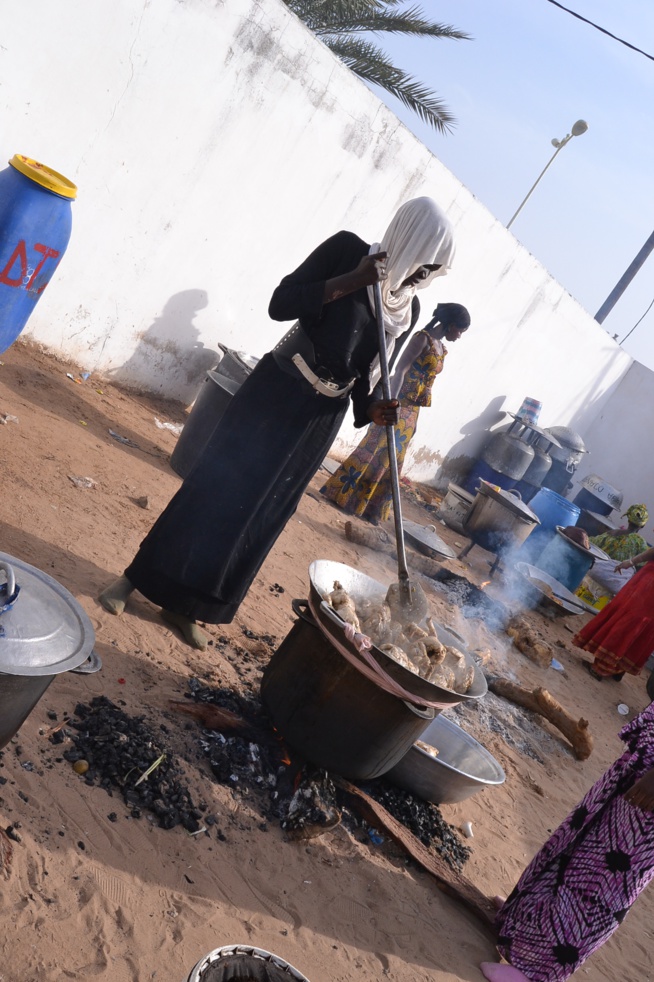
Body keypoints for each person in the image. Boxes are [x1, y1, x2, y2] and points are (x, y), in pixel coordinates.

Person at [99, 197, 455, 649]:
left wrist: (372, 410)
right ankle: (133, 581)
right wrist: (352, 281)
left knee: (258, 514)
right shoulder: (348, 251)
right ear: (410, 240)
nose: (424, 277)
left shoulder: (409, 309)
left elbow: (367, 373)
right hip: (278, 391)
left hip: (322, 417)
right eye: (426, 264)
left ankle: (188, 606)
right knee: (213, 488)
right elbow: (280, 303)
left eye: (433, 272)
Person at [480, 700, 654, 982]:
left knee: (603, 878)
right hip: (643, 762)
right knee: (577, 843)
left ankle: (536, 973)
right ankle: (524, 923)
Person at [319, 302, 470, 524]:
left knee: (390, 461)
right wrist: (392, 403)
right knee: (373, 449)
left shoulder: (441, 348)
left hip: (413, 412)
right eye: (460, 331)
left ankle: (369, 509)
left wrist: (414, 420)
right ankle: (342, 496)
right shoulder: (422, 338)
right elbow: (400, 370)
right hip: (400, 402)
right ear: (450, 325)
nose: (459, 336)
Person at [573, 542, 654, 681]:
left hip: (649, 586)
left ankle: (601, 668)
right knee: (644, 627)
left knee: (629, 619)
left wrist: (631, 562)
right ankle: (618, 669)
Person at [577, 503, 649, 603]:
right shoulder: (640, 542)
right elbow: (643, 565)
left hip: (593, 574)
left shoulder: (611, 533)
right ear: (643, 525)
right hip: (613, 586)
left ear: (628, 519)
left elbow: (590, 544)